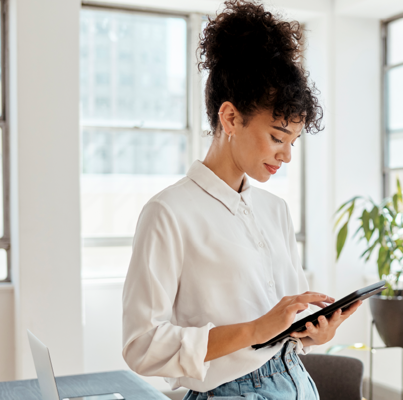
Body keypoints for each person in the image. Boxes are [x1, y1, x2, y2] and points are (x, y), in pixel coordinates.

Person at [121, 1, 360, 399]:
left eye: (294, 142)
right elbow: (141, 345)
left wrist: (314, 332)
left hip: (299, 382)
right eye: (277, 137)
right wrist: (254, 330)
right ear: (230, 118)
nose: (286, 155)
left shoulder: (275, 210)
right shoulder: (168, 213)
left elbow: (284, 329)